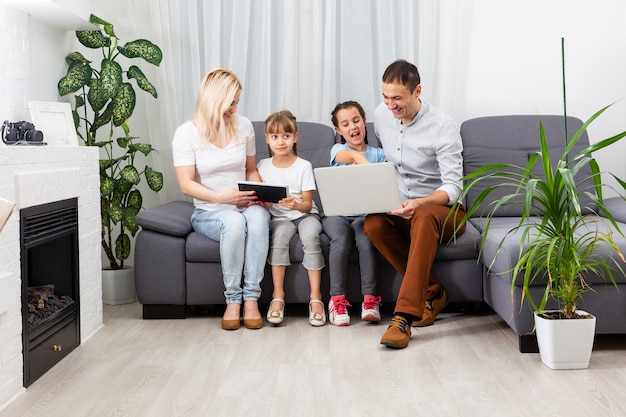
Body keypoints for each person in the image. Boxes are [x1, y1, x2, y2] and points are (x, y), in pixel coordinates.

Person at [363, 59, 466, 349]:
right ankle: (433, 292)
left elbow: (453, 187)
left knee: (422, 216)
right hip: (401, 206)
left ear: (417, 90)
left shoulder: (443, 126)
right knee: (372, 223)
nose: (390, 105)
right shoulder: (382, 116)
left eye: (397, 98)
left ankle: (403, 319)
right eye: (385, 96)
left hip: (444, 211)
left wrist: (420, 202)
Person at [172, 68, 270, 331]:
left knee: (259, 218)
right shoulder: (186, 133)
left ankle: (252, 299)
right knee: (233, 222)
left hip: (243, 204)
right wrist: (221, 197)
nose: (234, 109)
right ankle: (233, 301)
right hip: (209, 211)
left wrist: (258, 194)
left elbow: (251, 170)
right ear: (213, 99)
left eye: (237, 102)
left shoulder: (244, 126)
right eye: (231, 103)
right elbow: (185, 184)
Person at [258, 110, 326, 327]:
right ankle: (278, 297)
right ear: (267, 139)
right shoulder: (262, 166)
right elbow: (263, 199)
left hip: (305, 214)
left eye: (286, 136)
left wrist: (295, 205)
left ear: (295, 137)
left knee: (311, 237)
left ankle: (316, 298)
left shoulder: (303, 166)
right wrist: (267, 202)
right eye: (275, 137)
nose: (281, 142)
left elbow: (307, 204)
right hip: (280, 219)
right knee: (279, 239)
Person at [323, 101, 386, 326]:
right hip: (337, 215)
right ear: (338, 131)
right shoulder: (338, 151)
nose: (353, 127)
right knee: (340, 241)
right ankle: (336, 300)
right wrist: (362, 160)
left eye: (356, 120)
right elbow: (351, 157)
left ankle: (370, 301)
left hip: (364, 216)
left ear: (364, 121)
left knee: (366, 239)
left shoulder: (379, 154)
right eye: (345, 124)